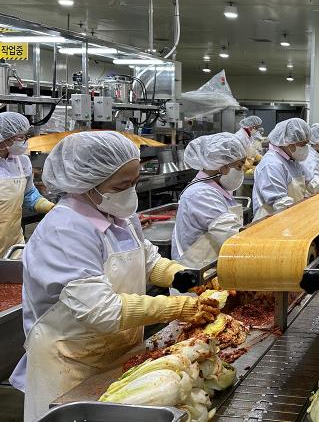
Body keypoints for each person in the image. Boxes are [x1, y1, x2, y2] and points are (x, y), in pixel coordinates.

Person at [10, 131, 220, 421]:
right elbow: (101, 310)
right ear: (87, 183)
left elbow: (146, 259)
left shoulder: (119, 214)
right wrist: (178, 307)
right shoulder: (65, 230)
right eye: (122, 185)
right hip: (70, 365)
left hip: (118, 352)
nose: (130, 192)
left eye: (135, 183)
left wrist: (178, 275)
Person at [172, 133, 247, 267]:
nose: (241, 171)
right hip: (198, 271)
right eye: (239, 166)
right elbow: (230, 233)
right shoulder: (201, 194)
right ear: (223, 167)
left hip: (211, 264)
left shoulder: (216, 188)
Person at [0, 112, 55, 257]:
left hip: (13, 246)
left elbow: (29, 194)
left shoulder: (22, 162)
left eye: (26, 136)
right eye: (21, 137)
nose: (25, 141)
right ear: (4, 138)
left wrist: (51, 207)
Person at [252, 118, 311, 220]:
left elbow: (306, 186)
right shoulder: (272, 164)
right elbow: (281, 203)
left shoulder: (294, 162)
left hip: (290, 217)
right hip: (270, 222)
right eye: (302, 144)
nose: (305, 148)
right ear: (288, 142)